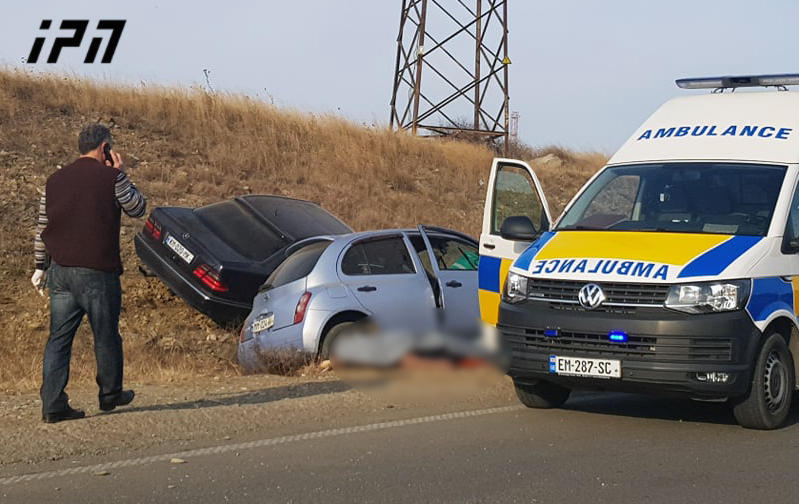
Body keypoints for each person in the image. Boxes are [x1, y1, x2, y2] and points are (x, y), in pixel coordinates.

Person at [31, 124, 147, 423]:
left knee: (58, 339)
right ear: (105, 147)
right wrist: (122, 173)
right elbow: (137, 208)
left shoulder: (54, 180)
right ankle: (110, 395)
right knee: (105, 334)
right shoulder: (112, 177)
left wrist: (40, 265)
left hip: (61, 271)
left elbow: (43, 227)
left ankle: (53, 404)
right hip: (97, 269)